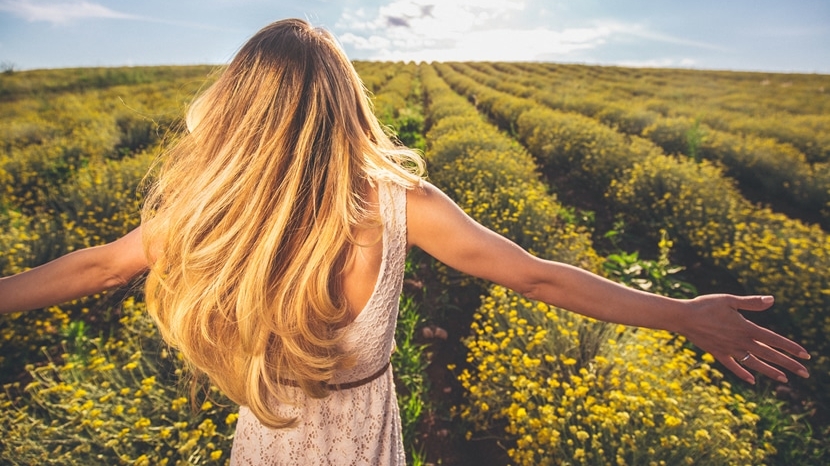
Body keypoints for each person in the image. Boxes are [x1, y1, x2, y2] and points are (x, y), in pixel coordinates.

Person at [0, 18, 811, 466]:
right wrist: (681, 313)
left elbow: (99, 267)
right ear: (345, 103)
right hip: (361, 435)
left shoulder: (211, 207)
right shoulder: (399, 205)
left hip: (269, 439)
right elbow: (537, 279)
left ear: (238, 107)